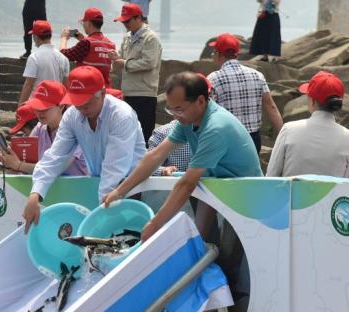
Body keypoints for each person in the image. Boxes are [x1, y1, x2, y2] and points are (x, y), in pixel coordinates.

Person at [103, 72, 262, 241]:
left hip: (246, 196)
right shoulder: (188, 120)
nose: (174, 115)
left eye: (179, 109)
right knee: (200, 244)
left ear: (201, 101)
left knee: (235, 249)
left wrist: (155, 224)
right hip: (215, 187)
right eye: (170, 109)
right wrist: (119, 191)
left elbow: (187, 184)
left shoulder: (215, 128)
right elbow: (156, 155)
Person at [22, 66, 146, 232]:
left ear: (103, 93)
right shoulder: (72, 115)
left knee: (128, 235)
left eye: (86, 103)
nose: (81, 108)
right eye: (76, 102)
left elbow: (114, 167)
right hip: (98, 185)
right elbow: (55, 156)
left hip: (132, 186)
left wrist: (102, 212)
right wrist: (35, 194)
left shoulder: (121, 115)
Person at [267, 72, 349, 178]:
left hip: (292, 189)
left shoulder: (288, 130)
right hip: (331, 190)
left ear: (313, 101)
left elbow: (271, 175)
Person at [207, 33, 283, 153]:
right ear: (236, 54)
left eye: (213, 52)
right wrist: (282, 137)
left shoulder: (213, 78)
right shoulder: (257, 75)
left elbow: (207, 111)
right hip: (253, 139)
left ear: (219, 54)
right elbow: (271, 107)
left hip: (227, 138)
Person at [1, 81, 87, 176]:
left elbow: (55, 168)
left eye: (45, 108)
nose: (40, 112)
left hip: (78, 185)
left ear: (61, 106)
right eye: (37, 107)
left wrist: (18, 165)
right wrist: (10, 160)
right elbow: (26, 164)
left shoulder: (75, 131)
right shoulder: (39, 129)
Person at [110, 3, 162, 143]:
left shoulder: (151, 38)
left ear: (139, 18)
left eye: (127, 21)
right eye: (123, 21)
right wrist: (116, 58)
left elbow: (149, 63)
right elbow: (121, 58)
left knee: (144, 136)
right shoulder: (127, 37)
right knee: (128, 135)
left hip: (145, 93)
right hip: (128, 92)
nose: (125, 24)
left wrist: (124, 63)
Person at [60, 8, 116, 88]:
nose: (83, 25)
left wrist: (64, 38)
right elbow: (95, 51)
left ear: (88, 23)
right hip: (105, 89)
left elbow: (63, 55)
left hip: (88, 90)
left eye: (83, 22)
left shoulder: (86, 43)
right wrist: (83, 39)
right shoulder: (110, 44)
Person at [18, 20, 70, 105]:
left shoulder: (34, 57)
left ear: (35, 37)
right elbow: (66, 86)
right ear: (50, 35)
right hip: (55, 105)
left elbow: (28, 84)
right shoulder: (63, 58)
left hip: (37, 104)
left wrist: (20, 106)